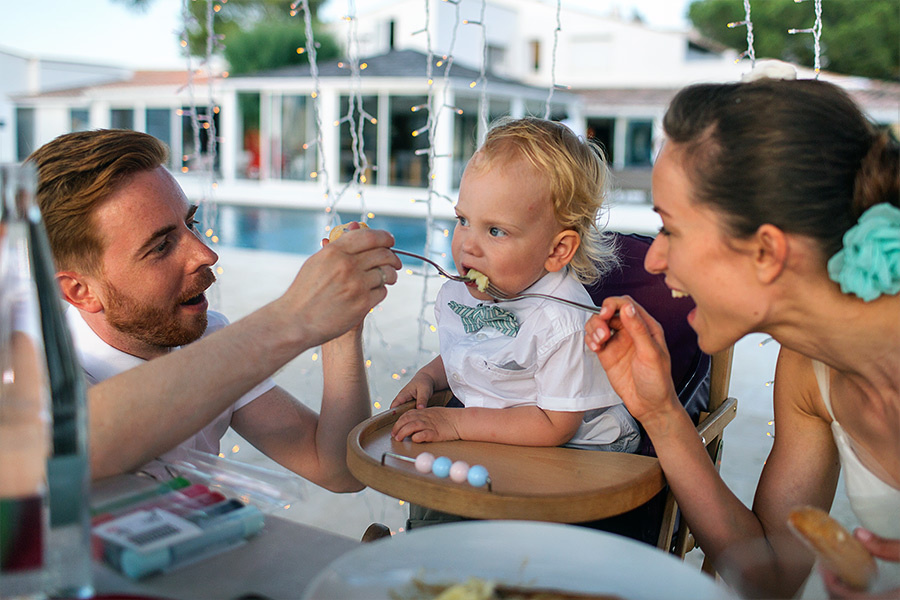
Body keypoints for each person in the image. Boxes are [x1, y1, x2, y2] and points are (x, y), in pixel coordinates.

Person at [585, 72, 899, 598]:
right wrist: (660, 413)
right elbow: (772, 576)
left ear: (766, 252)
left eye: (671, 229)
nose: (656, 259)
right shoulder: (807, 368)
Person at [28, 129, 401, 490]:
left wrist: (339, 329)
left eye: (191, 224)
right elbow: (77, 449)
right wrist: (294, 318)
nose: (206, 255)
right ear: (79, 291)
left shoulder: (207, 340)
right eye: (160, 247)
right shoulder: (32, 382)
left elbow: (338, 469)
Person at [391, 116, 639, 453]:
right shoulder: (461, 293)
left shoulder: (561, 320)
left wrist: (453, 422)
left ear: (557, 250)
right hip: (502, 436)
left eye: (495, 231)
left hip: (579, 453)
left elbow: (555, 426)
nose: (468, 245)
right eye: (463, 220)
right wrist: (431, 377)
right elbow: (477, 349)